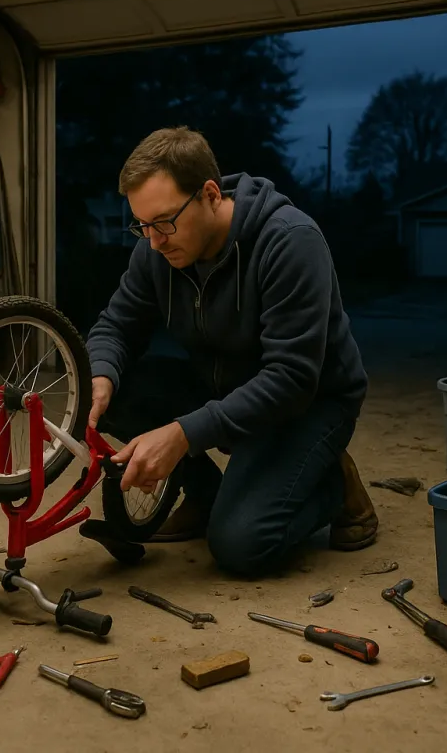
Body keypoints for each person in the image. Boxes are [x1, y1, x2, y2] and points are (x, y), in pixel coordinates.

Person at [84, 126, 378, 577]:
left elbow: (291, 378)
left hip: (307, 403)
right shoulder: (156, 248)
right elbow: (117, 326)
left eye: (164, 222)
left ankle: (332, 484)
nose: (154, 241)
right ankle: (206, 497)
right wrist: (99, 374)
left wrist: (182, 434)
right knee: (110, 393)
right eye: (142, 225)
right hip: (223, 384)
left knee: (241, 545)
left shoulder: (290, 240)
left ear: (209, 194)